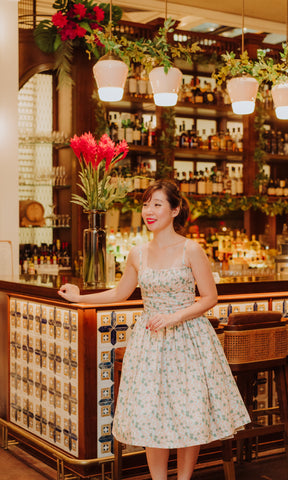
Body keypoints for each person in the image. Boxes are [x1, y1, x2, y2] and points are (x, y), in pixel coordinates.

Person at [58, 179, 250, 480]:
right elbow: (120, 293)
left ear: (174, 210)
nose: (149, 211)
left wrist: (175, 317)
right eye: (146, 204)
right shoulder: (138, 253)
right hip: (150, 341)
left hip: (188, 339)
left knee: (189, 413)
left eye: (157, 204)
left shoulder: (191, 249)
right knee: (151, 416)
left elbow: (210, 298)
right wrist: (79, 296)